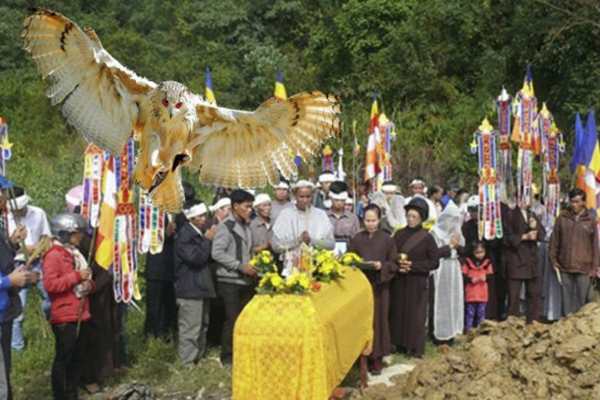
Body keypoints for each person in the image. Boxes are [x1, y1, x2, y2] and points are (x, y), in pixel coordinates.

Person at [43, 213, 94, 400]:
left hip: (80, 311)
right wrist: (76, 277)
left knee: (77, 358)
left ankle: (72, 393)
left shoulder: (74, 253)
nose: (80, 237)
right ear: (65, 233)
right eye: (76, 233)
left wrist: (89, 284)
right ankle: (61, 395)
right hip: (64, 315)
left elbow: (85, 276)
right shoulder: (53, 255)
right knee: (64, 358)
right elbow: (51, 285)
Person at [390, 198, 447, 358]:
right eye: (408, 216)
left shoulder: (427, 238)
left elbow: (434, 262)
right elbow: (392, 253)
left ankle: (414, 347)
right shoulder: (399, 234)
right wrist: (398, 264)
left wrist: (413, 266)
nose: (410, 219)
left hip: (418, 280)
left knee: (416, 314)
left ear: (421, 218)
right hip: (400, 280)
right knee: (398, 311)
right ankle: (398, 343)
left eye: (414, 217)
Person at [348, 204, 397, 374]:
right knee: (362, 320)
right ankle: (360, 357)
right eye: (367, 220)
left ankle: (376, 357)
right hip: (361, 286)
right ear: (363, 220)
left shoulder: (387, 239)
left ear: (379, 220)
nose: (370, 224)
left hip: (379, 287)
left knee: (378, 321)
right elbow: (349, 259)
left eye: (373, 220)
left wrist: (381, 265)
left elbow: (393, 263)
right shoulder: (357, 239)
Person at [211, 189, 256, 366]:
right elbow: (217, 253)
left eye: (251, 206)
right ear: (235, 206)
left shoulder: (246, 225)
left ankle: (242, 352)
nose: (250, 210)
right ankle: (228, 356)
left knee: (245, 319)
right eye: (247, 206)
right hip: (229, 281)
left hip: (246, 280)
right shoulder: (226, 226)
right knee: (232, 319)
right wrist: (239, 266)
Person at [7, 186, 51, 351]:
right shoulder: (6, 219)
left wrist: (35, 251)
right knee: (18, 309)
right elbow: (6, 247)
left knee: (49, 300)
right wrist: (20, 250)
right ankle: (17, 346)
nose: (20, 211)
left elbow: (46, 238)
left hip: (38, 262)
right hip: (16, 265)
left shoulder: (38, 213)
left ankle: (55, 331)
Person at [175, 203, 216, 366]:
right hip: (189, 289)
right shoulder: (185, 235)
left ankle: (199, 357)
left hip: (201, 286)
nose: (203, 219)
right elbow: (196, 258)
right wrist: (207, 240)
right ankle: (187, 362)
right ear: (191, 218)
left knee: (202, 325)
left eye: (204, 215)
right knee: (190, 327)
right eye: (199, 216)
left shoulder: (198, 234)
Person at [0, 188, 31, 400]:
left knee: (5, 370)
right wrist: (8, 281)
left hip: (5, 309)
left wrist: (11, 243)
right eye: (1, 193)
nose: (4, 198)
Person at [549, 188, 600, 316]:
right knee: (566, 303)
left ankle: (579, 333)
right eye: (572, 202)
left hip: (584, 268)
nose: (574, 205)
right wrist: (554, 260)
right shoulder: (562, 218)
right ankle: (567, 331)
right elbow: (554, 241)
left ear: (583, 202)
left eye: (577, 202)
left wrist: (594, 268)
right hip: (565, 267)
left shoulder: (590, 220)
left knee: (582, 304)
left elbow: (595, 246)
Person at [272, 180, 335, 275]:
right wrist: (298, 240)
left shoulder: (321, 215)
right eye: (301, 197)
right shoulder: (285, 214)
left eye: (308, 197)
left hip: (317, 269)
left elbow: (331, 244)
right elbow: (276, 246)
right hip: (291, 269)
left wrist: (312, 241)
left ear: (312, 196)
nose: (305, 200)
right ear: (295, 196)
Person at [461, 195, 504, 320]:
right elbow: (465, 246)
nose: (474, 213)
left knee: (490, 292)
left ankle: (489, 317)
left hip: (488, 263)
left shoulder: (490, 224)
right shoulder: (467, 226)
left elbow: (496, 242)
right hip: (471, 264)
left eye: (476, 210)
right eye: (471, 210)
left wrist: (485, 242)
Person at [504, 203, 545, 323]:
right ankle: (513, 322)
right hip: (516, 259)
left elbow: (542, 235)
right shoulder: (510, 214)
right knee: (514, 295)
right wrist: (523, 237)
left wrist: (536, 227)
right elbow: (506, 238)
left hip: (531, 261)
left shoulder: (532, 214)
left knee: (533, 293)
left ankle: (533, 321)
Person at [430, 202, 464, 342]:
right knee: (441, 300)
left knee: (453, 299)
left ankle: (452, 330)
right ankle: (439, 333)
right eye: (451, 219)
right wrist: (449, 245)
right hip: (441, 268)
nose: (453, 223)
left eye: (456, 220)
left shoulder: (457, 233)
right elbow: (434, 253)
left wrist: (457, 245)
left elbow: (463, 249)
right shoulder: (435, 232)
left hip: (453, 268)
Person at [143, 215, 177, 339]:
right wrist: (164, 234)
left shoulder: (177, 212)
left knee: (169, 306)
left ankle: (166, 335)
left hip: (172, 268)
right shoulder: (152, 213)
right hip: (156, 268)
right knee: (154, 306)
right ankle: (151, 337)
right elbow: (146, 236)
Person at [462, 242, 494, 332]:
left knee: (481, 313)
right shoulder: (468, 262)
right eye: (477, 252)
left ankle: (481, 331)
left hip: (482, 293)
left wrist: (485, 277)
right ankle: (468, 330)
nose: (480, 255)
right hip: (471, 293)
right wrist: (471, 279)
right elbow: (463, 275)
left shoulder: (487, 262)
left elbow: (491, 276)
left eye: (482, 252)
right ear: (473, 252)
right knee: (470, 313)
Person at [327, 182, 360, 254]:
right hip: (326, 256)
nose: (339, 203)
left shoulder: (353, 218)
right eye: (336, 200)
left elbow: (357, 240)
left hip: (348, 255)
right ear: (331, 198)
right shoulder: (323, 217)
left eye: (342, 200)